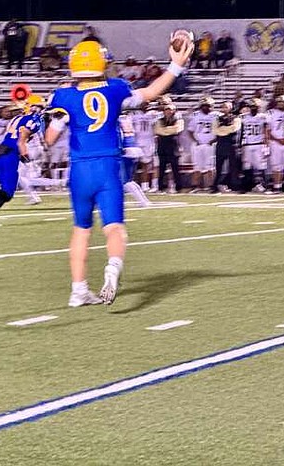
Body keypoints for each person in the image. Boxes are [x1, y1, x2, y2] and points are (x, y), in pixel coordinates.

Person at [43, 37, 192, 307]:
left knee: (81, 229)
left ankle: (78, 290)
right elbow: (150, 93)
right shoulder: (115, 88)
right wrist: (176, 65)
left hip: (80, 169)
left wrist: (51, 115)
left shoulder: (63, 96)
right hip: (108, 166)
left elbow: (49, 139)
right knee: (113, 227)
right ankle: (112, 268)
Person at [0, 96, 45, 226]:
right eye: (39, 107)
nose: (41, 110)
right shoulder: (34, 121)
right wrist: (26, 158)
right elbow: (21, 141)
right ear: (33, 107)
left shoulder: (16, 119)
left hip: (0, 154)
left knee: (7, 191)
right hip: (9, 156)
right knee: (7, 194)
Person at [187, 97, 218, 192]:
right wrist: (195, 141)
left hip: (210, 144)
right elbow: (190, 131)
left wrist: (214, 140)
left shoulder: (216, 116)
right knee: (197, 166)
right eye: (204, 106)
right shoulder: (196, 116)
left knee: (210, 166)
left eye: (208, 106)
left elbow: (220, 130)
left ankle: (209, 186)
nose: (206, 107)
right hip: (198, 145)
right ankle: (197, 186)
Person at [239, 98, 268, 192]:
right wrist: (240, 145)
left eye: (255, 107)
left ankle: (262, 185)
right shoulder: (243, 117)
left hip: (259, 144)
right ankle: (247, 185)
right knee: (247, 166)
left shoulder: (263, 117)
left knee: (260, 166)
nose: (253, 108)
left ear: (259, 107)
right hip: (247, 144)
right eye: (252, 106)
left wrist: (266, 144)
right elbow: (241, 131)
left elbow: (266, 131)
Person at [154, 103, 184, 194]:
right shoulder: (159, 120)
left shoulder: (179, 120)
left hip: (173, 146)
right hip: (162, 145)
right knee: (162, 167)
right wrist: (169, 130)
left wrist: (165, 130)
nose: (168, 111)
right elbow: (157, 130)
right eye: (167, 109)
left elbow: (177, 129)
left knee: (175, 168)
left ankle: (178, 187)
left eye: (170, 109)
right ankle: (161, 187)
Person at [265, 95, 284, 194]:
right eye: (279, 102)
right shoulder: (271, 113)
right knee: (276, 166)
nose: (280, 103)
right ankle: (277, 187)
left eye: (283, 102)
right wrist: (278, 140)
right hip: (275, 142)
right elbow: (267, 130)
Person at [211, 102, 241, 193]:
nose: (224, 108)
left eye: (226, 107)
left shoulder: (236, 118)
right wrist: (226, 130)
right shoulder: (217, 119)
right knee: (218, 167)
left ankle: (234, 186)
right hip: (221, 144)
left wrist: (222, 129)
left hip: (232, 145)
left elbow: (234, 128)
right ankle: (215, 186)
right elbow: (215, 131)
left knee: (233, 167)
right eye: (223, 106)